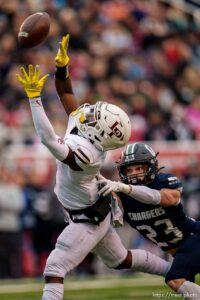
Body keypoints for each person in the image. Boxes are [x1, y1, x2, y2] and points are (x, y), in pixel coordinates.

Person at [16, 35, 170, 300]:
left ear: (100, 135)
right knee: (120, 260)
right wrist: (63, 67)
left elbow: (48, 140)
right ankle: (177, 271)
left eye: (97, 117)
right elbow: (65, 92)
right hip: (93, 208)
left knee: (55, 266)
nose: (91, 111)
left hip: (87, 218)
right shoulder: (86, 131)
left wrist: (34, 98)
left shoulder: (89, 155)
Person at [98, 142, 200, 300]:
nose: (133, 174)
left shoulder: (164, 181)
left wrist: (127, 189)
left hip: (193, 238)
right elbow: (113, 216)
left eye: (138, 168)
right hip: (180, 250)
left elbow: (166, 198)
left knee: (175, 279)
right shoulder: (123, 195)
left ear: (150, 167)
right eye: (129, 169)